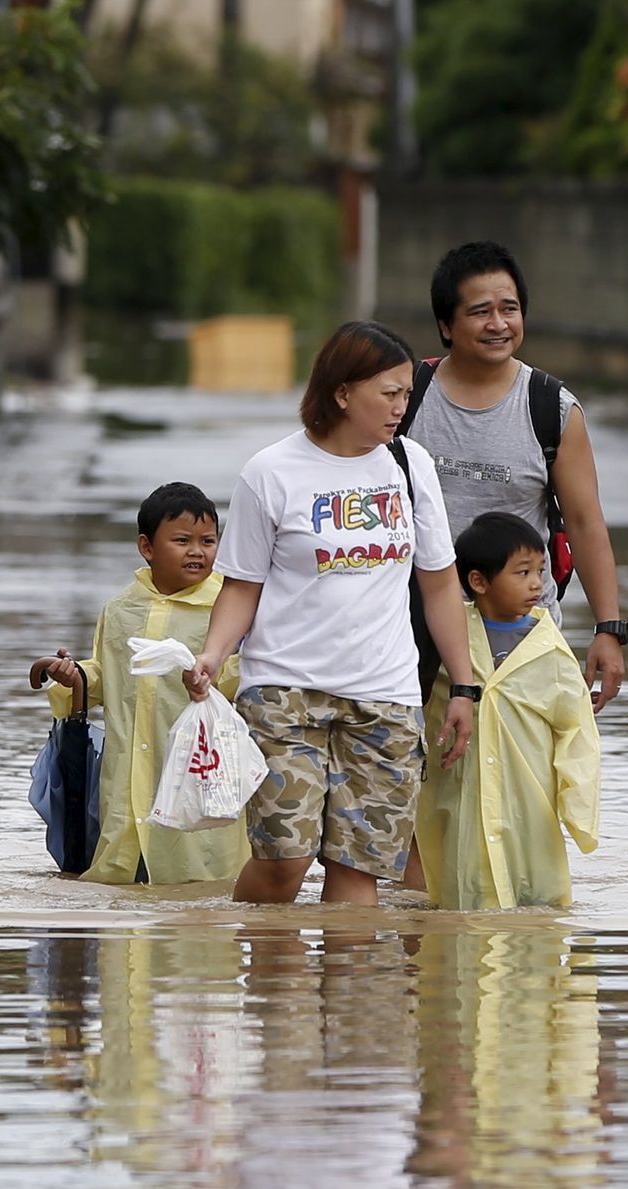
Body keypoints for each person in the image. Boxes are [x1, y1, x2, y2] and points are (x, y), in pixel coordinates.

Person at [183, 321, 479, 907]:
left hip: (386, 697)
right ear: (342, 393)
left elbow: (441, 585)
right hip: (284, 693)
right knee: (283, 863)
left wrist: (464, 685)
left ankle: (355, 999)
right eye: (388, 394)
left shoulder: (411, 465)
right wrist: (213, 655)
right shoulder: (271, 472)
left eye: (405, 394)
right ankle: (268, 989)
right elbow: (242, 587)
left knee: (359, 875)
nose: (402, 406)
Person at [400, 240, 628, 712]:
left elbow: (586, 523)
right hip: (414, 631)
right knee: (421, 775)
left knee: (522, 777)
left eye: (510, 309)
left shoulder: (552, 409)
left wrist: (609, 629)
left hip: (520, 637)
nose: (498, 324)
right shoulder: (406, 398)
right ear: (446, 325)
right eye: (480, 311)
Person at [30, 482, 249, 886]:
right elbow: (106, 677)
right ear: (147, 547)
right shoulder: (120, 610)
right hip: (128, 776)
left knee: (203, 886)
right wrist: (73, 676)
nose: (197, 551)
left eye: (208, 541)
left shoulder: (227, 610)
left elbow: (245, 679)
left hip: (200, 771)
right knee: (125, 885)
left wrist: (216, 673)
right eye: (182, 540)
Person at [414, 513, 600, 910]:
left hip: (529, 804)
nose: (537, 583)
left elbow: (577, 729)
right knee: (457, 907)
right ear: (478, 581)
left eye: (541, 571)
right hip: (459, 795)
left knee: (538, 905)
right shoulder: (448, 642)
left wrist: (577, 807)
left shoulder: (548, 648)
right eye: (523, 572)